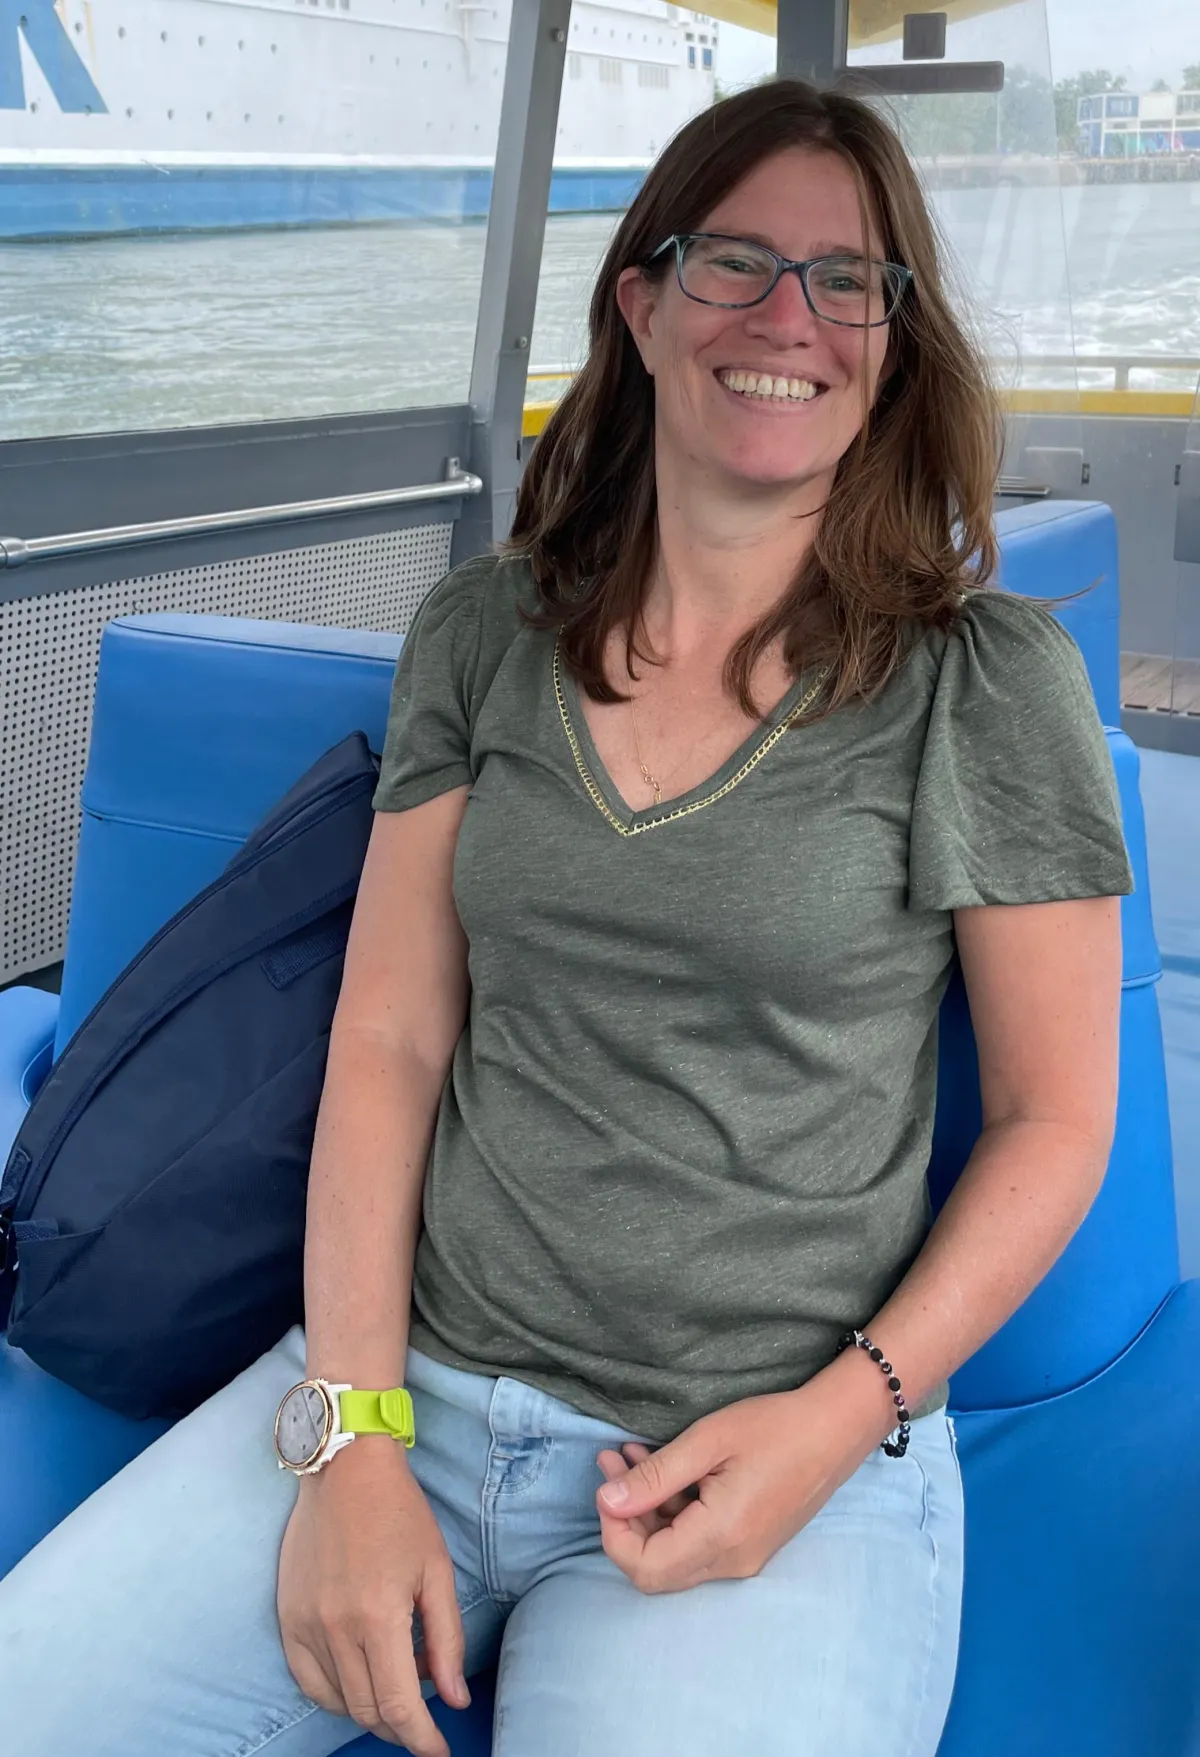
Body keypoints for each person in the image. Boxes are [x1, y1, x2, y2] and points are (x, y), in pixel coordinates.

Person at [0, 78, 1132, 1757]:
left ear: (892, 343)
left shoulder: (981, 684)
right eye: (736, 262)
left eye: (848, 280)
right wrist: (355, 1436)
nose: (790, 318)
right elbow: (392, 1038)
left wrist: (842, 1423)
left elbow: (1055, 1120)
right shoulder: (485, 634)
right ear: (642, 303)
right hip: (421, 1385)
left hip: (768, 1449)